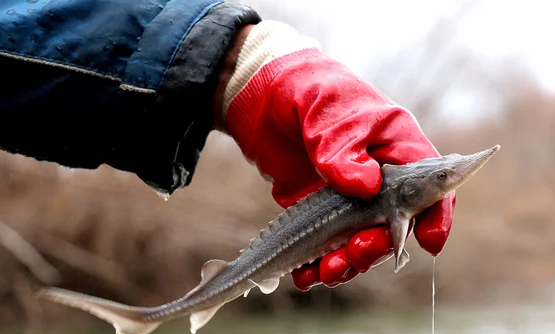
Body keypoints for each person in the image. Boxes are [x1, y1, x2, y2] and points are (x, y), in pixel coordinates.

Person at [0, 0, 456, 291]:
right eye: (442, 175)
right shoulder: (396, 200)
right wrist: (230, 61)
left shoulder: (398, 200)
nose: (450, 177)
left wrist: (235, 64)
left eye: (446, 174)